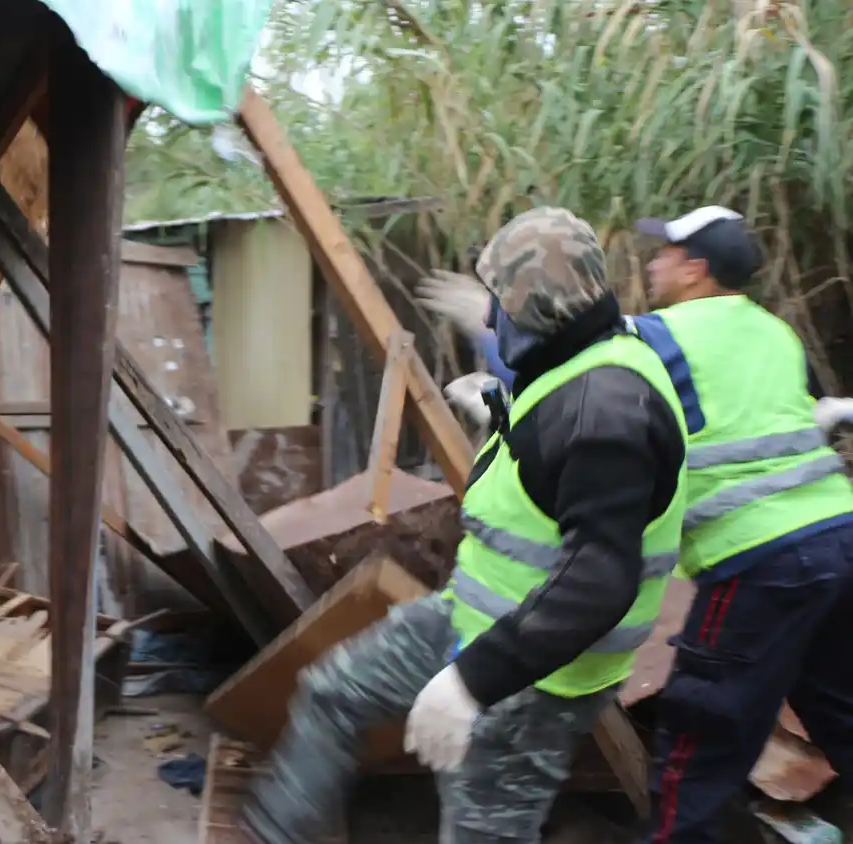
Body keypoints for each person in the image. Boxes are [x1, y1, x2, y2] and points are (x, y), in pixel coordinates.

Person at [241, 207, 690, 844]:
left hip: (534, 678)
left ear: (540, 315)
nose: (487, 318)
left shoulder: (604, 416)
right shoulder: (576, 359)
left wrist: (469, 684)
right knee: (333, 693)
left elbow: (598, 580)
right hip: (472, 620)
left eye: (498, 306)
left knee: (483, 833)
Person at [417, 206, 853, 843]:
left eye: (668, 253)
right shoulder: (775, 332)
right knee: (840, 708)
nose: (655, 263)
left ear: (697, 269)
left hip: (758, 556)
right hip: (838, 538)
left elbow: (560, 365)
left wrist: (483, 329)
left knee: (698, 739)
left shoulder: (657, 336)